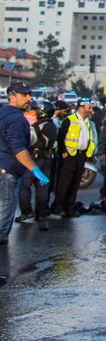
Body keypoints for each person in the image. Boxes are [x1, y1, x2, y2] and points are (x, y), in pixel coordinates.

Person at [1, 82, 52, 248]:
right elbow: (18, 148)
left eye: (29, 94)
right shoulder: (15, 119)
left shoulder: (3, 114)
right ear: (12, 96)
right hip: (7, 173)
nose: (29, 98)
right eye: (24, 95)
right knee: (2, 224)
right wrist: (35, 169)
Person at [53, 99, 98, 217]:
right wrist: (63, 151)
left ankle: (69, 207)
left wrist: (90, 154)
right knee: (64, 183)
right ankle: (59, 207)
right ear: (81, 108)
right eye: (88, 108)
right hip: (69, 155)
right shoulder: (69, 120)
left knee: (75, 183)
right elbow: (61, 137)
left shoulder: (87, 122)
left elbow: (90, 139)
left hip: (81, 155)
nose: (90, 110)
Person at [17, 101, 57, 231]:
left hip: (35, 159)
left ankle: (27, 211)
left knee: (24, 185)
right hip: (48, 159)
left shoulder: (38, 126)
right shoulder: (54, 125)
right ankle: (41, 215)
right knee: (43, 188)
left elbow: (30, 141)